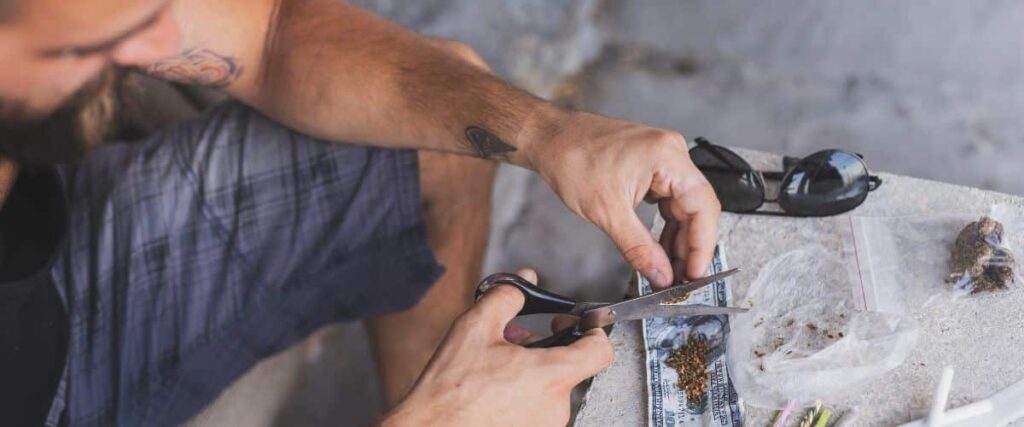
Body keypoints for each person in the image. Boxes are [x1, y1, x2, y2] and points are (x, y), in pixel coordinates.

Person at [0, 0, 721, 425]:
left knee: (427, 136)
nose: (161, 46)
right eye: (95, 40)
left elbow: (269, 32)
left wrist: (545, 132)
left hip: (51, 285)